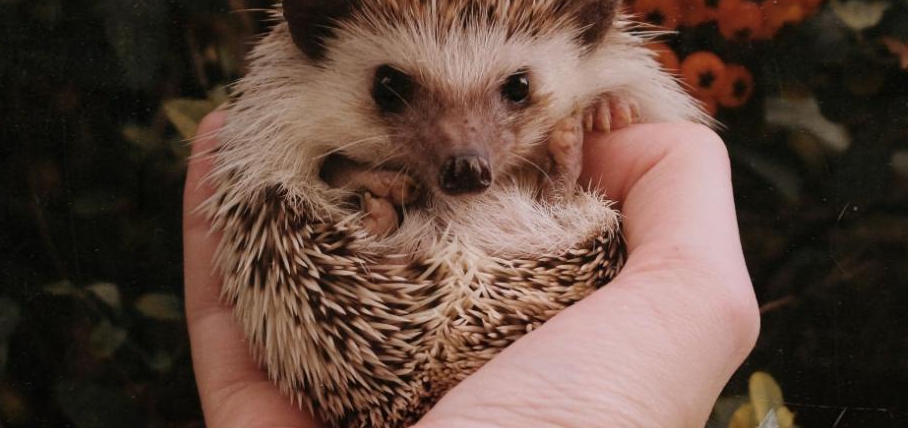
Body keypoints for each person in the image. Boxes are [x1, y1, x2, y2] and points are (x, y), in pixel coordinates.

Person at [183, 111, 760, 428]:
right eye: (395, 91)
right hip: (498, 258)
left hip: (420, 274)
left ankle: (383, 218)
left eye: (515, 91)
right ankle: (550, 192)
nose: (463, 150)